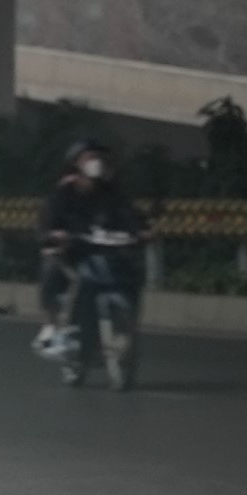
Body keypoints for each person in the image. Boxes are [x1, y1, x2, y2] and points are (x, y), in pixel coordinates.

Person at [34, 140, 149, 356]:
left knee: (131, 274)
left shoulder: (112, 192)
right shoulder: (64, 193)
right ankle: (53, 327)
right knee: (53, 268)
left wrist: (142, 230)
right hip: (74, 251)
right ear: (76, 163)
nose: (95, 162)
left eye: (98, 158)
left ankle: (127, 325)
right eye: (89, 158)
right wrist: (54, 235)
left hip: (107, 251)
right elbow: (47, 222)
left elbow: (129, 215)